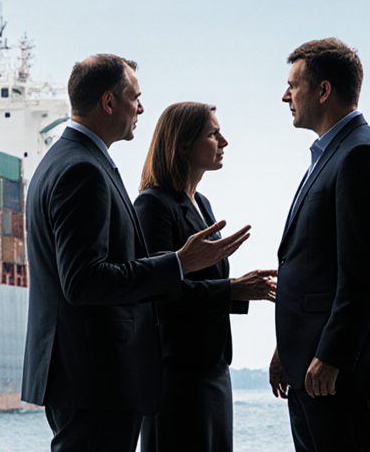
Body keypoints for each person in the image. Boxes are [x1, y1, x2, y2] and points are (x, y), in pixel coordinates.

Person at [22, 54, 250, 452]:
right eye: (135, 98)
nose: (141, 108)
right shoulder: (83, 170)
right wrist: (179, 263)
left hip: (87, 377)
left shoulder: (63, 162)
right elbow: (83, 281)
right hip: (97, 378)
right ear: (109, 102)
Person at [269, 38, 370, 452]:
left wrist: (333, 354)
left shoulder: (361, 155)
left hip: (336, 374)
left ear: (323, 90)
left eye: (294, 85)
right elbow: (315, 269)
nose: (285, 95)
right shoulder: (331, 155)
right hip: (309, 367)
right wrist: (286, 348)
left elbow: (362, 272)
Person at [135, 102, 277, 452]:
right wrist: (232, 289)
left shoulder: (203, 204)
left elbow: (199, 285)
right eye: (213, 134)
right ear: (183, 144)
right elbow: (158, 293)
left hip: (211, 370)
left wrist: (242, 289)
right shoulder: (153, 205)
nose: (224, 141)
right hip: (177, 375)